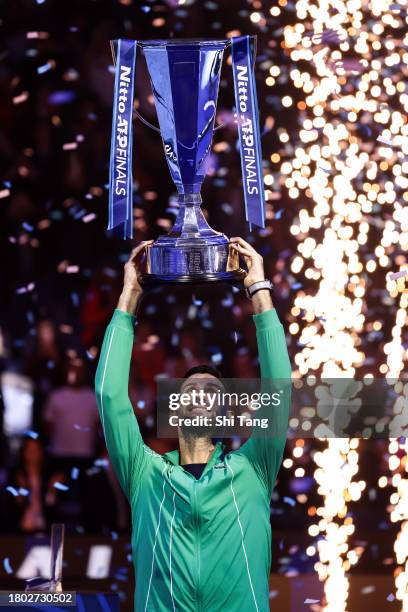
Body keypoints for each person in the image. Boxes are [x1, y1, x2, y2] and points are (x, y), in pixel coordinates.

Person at [95, 237, 292, 612]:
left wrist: (259, 289)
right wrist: (129, 297)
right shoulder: (144, 473)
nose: (201, 393)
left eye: (212, 390)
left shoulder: (254, 466)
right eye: (191, 389)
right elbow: (109, 395)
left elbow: (278, 386)